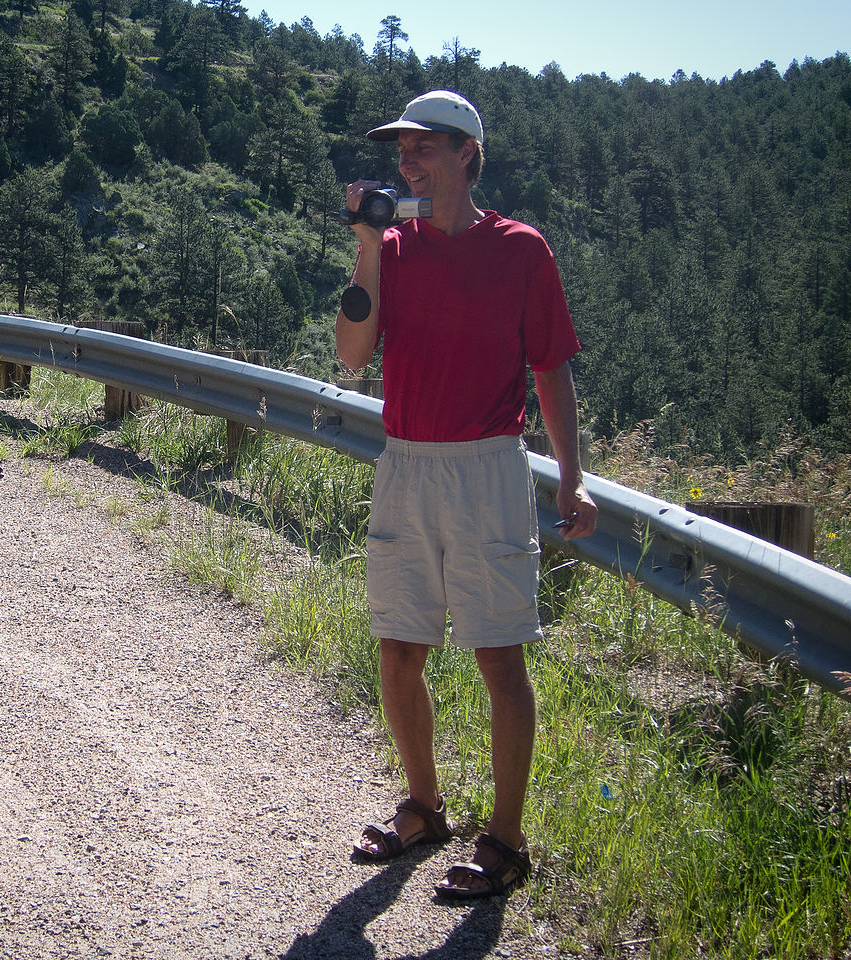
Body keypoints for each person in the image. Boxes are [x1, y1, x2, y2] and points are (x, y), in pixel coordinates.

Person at [335, 91, 597, 899]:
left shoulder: (521, 250)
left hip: (488, 466)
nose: (407, 160)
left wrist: (573, 479)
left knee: (497, 655)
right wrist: (369, 248)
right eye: (401, 149)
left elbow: (550, 367)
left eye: (424, 147)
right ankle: (424, 806)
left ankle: (507, 841)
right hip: (407, 462)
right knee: (399, 648)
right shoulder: (396, 249)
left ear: (467, 154)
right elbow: (351, 356)